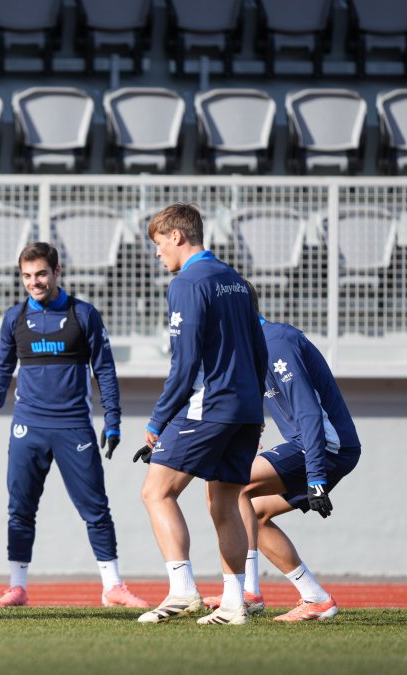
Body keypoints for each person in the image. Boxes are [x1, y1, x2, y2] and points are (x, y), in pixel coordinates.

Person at [0, 242, 149, 610]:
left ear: (57, 272)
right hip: (28, 428)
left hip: (74, 427)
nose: (34, 282)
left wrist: (113, 419)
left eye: (40, 274)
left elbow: (104, 369)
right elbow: (1, 369)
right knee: (20, 509)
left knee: (95, 509)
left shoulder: (83, 315)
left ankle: (113, 587)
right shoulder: (15, 318)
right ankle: (18, 587)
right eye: (26, 276)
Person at [134, 203, 267, 626]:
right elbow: (259, 350)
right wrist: (251, 407)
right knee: (224, 501)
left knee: (156, 491)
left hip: (208, 406)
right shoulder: (237, 281)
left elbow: (185, 363)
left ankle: (182, 590)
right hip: (246, 408)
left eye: (158, 243)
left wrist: (157, 421)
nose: (158, 254)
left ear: (177, 236)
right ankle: (233, 605)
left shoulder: (187, 282)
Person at [199, 282, 360, 622]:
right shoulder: (255, 347)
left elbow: (308, 413)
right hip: (313, 445)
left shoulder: (276, 343)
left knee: (229, 483)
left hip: (325, 447)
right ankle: (314, 598)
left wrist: (315, 476)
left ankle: (246, 593)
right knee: (254, 511)